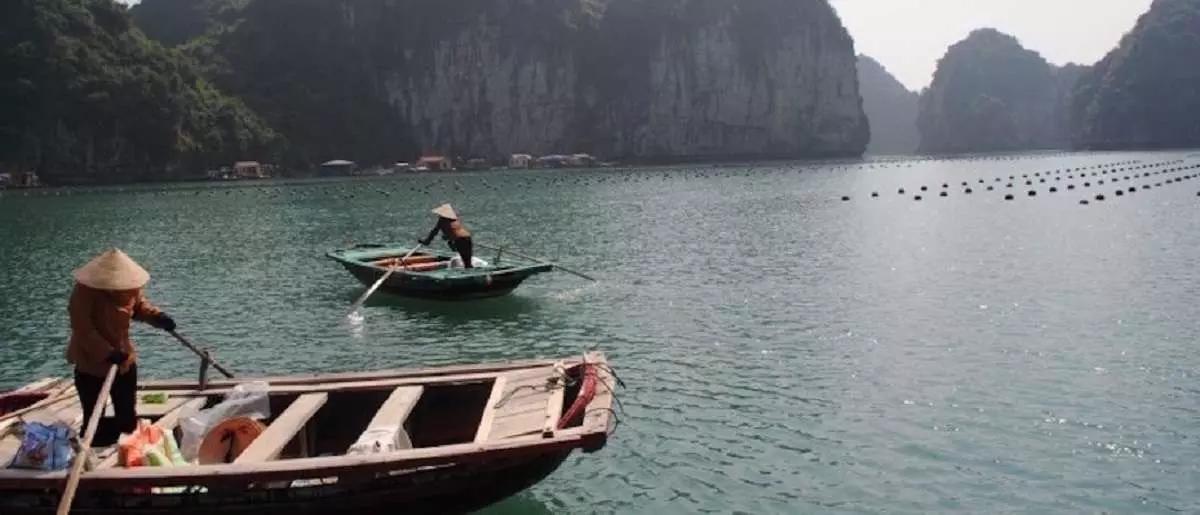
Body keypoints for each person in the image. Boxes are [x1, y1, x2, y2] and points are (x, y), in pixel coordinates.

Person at [66, 249, 175, 446]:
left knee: (127, 414)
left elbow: (139, 307)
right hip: (92, 362)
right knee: (93, 416)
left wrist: (158, 317)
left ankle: (128, 450)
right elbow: (83, 328)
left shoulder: (130, 287)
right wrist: (106, 352)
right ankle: (92, 454)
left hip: (124, 359)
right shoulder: (84, 292)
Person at [419, 203, 475, 268]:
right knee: (468, 262)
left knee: (466, 262)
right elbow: (453, 231)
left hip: (459, 239)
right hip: (467, 237)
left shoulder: (442, 220)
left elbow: (434, 232)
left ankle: (468, 276)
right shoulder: (455, 220)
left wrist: (427, 241)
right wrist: (448, 238)